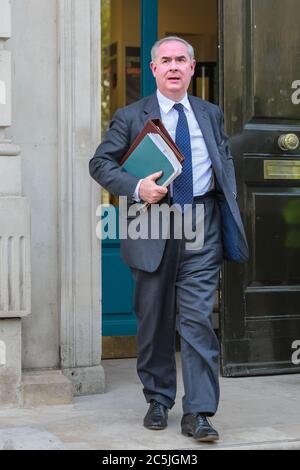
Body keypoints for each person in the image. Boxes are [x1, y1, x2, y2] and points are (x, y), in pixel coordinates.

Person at [89, 36, 248, 443]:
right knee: (155, 318)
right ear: (154, 69)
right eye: (166, 60)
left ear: (192, 68)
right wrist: (137, 186)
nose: (174, 66)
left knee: (197, 318)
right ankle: (158, 399)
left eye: (182, 60)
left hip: (201, 220)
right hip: (151, 222)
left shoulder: (210, 114)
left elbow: (221, 163)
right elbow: (100, 163)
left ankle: (198, 412)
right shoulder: (130, 115)